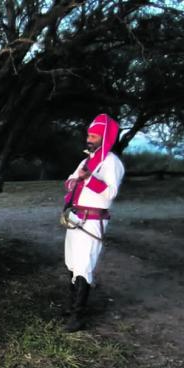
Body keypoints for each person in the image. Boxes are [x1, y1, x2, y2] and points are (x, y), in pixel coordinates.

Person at [61, 114, 124, 332]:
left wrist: (87, 179)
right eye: (89, 134)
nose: (89, 138)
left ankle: (78, 316)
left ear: (105, 137)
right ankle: (72, 307)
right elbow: (69, 182)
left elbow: (110, 194)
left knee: (84, 265)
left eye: (94, 135)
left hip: (93, 220)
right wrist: (75, 180)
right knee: (72, 262)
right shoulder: (86, 161)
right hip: (76, 217)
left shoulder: (112, 163)